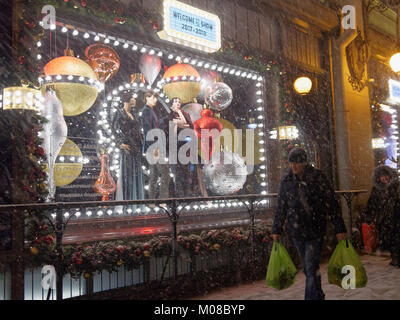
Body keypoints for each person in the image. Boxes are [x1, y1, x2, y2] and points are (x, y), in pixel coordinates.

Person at [272, 147, 347, 300]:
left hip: (315, 229)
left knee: (311, 267)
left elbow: (331, 204)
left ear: (305, 163)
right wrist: (276, 229)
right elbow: (281, 206)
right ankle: (318, 295)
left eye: (297, 163)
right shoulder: (286, 181)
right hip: (297, 231)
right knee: (308, 269)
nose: (294, 166)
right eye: (291, 163)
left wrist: (339, 228)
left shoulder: (318, 178)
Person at [112, 91, 144, 205]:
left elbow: (138, 129)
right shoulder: (119, 113)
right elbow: (114, 129)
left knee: (136, 172)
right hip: (127, 145)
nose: (134, 100)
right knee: (127, 173)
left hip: (136, 145)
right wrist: (120, 143)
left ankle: (137, 200)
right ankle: (127, 202)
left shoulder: (134, 114)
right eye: (132, 98)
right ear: (127, 100)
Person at [364, 165, 400, 267]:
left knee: (396, 239)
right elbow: (371, 204)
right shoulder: (376, 189)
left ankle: (396, 258)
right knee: (388, 239)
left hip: (396, 217)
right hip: (384, 220)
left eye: (386, 175)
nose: (385, 178)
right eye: (382, 176)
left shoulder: (396, 186)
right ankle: (395, 257)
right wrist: (369, 217)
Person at [140, 89, 170, 200]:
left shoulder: (150, 111)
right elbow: (148, 131)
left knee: (154, 175)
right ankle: (163, 200)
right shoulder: (146, 111)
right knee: (165, 173)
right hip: (154, 147)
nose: (155, 100)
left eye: (156, 98)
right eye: (153, 97)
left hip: (152, 147)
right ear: (147, 98)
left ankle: (152, 201)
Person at [169, 97, 195, 197]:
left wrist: (179, 114)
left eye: (179, 101)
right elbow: (173, 125)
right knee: (177, 171)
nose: (178, 103)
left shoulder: (185, 114)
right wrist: (184, 125)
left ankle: (187, 192)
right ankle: (179, 194)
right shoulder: (170, 115)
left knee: (187, 170)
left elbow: (190, 126)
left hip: (185, 143)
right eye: (175, 101)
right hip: (175, 145)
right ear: (172, 105)